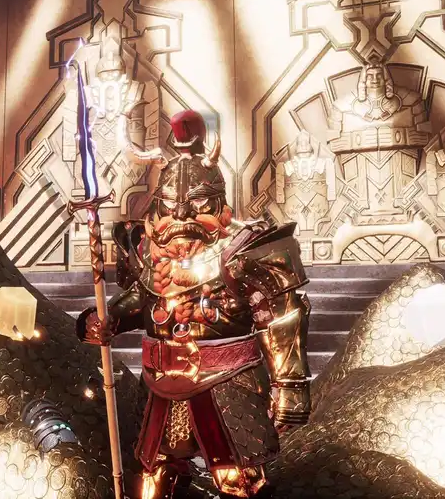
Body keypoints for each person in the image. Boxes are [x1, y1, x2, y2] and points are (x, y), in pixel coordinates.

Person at [77, 110, 312, 498]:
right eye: (171, 205)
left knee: (237, 481)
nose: (182, 214)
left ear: (219, 205)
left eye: (197, 203)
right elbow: (141, 299)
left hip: (227, 382)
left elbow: (282, 317)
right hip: (162, 383)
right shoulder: (149, 253)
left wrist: (289, 385)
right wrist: (106, 319)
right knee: (154, 480)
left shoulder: (243, 251)